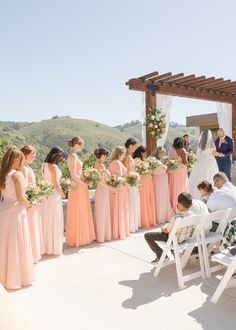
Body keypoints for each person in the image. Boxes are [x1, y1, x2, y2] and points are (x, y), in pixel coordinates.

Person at [0, 147, 35, 289]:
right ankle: (15, 279)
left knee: (6, 245)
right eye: (21, 159)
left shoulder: (4, 175)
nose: (22, 162)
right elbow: (21, 198)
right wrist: (31, 204)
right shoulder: (17, 175)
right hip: (16, 213)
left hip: (4, 211)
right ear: (15, 160)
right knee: (15, 245)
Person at [144, 193, 194, 263]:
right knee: (173, 232)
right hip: (184, 238)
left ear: (179, 205)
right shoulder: (192, 215)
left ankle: (161, 256)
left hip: (174, 240)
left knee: (147, 236)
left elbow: (166, 230)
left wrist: (163, 227)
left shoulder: (176, 218)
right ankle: (174, 253)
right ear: (191, 205)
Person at [66, 136, 95, 247]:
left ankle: (80, 237)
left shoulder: (73, 155)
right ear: (76, 144)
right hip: (78, 187)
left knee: (80, 210)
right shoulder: (73, 156)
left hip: (79, 186)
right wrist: (83, 183)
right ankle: (79, 238)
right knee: (79, 210)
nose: (81, 148)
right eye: (81, 145)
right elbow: (73, 174)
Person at [21, 144, 45, 263]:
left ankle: (33, 254)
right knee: (30, 227)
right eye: (32, 155)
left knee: (33, 226)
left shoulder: (28, 168)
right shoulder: (24, 169)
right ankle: (29, 255)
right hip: (29, 203)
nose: (34, 157)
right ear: (25, 155)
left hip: (33, 202)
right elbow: (24, 187)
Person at [41, 147, 65, 255]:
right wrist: (63, 194)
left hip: (46, 196)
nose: (61, 159)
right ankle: (54, 247)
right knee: (55, 219)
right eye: (60, 156)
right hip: (54, 196)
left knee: (47, 219)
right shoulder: (53, 166)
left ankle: (47, 246)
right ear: (56, 156)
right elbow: (56, 184)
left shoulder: (43, 165)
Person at [189, 130, 219, 199]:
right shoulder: (211, 142)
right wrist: (218, 154)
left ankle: (199, 192)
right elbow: (214, 152)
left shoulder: (200, 143)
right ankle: (208, 193)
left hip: (201, 160)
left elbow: (198, 153)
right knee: (210, 175)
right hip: (209, 160)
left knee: (199, 175)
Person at [109, 146, 130, 239]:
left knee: (116, 208)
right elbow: (121, 176)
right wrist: (128, 184)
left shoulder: (112, 162)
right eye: (123, 154)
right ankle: (120, 231)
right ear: (120, 154)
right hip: (120, 188)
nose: (124, 156)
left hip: (116, 187)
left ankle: (117, 230)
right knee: (120, 208)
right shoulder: (117, 163)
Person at [133, 146, 156, 228]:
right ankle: (144, 220)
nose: (146, 154)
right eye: (145, 152)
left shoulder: (145, 160)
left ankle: (149, 219)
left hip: (148, 182)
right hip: (143, 181)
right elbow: (136, 172)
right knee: (144, 200)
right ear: (141, 152)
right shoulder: (136, 160)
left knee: (148, 199)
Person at [151, 146, 174, 224]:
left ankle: (164, 215)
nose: (162, 154)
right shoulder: (153, 160)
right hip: (158, 181)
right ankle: (160, 217)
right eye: (161, 153)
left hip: (164, 181)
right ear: (158, 153)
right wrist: (164, 168)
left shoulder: (161, 160)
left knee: (164, 197)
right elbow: (153, 172)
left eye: (163, 153)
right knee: (159, 197)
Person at [94, 147, 112, 243]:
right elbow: (100, 181)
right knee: (102, 212)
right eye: (105, 156)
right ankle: (101, 235)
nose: (106, 158)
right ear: (102, 155)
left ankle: (103, 235)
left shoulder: (100, 164)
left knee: (103, 211)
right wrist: (110, 188)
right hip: (102, 190)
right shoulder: (99, 165)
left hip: (104, 190)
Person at [123, 138, 140, 232]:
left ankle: (134, 224)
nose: (135, 148)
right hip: (131, 181)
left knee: (134, 201)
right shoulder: (127, 156)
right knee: (131, 202)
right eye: (134, 146)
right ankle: (131, 225)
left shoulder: (129, 155)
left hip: (133, 181)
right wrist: (135, 176)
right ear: (130, 145)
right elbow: (127, 172)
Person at [168, 137, 189, 212]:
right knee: (181, 187)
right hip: (181, 171)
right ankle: (181, 206)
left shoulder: (171, 149)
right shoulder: (182, 150)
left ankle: (172, 206)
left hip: (173, 171)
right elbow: (185, 162)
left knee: (173, 187)